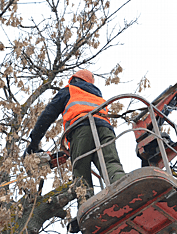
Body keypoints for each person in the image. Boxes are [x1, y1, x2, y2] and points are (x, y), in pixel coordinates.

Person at [25, 69, 126, 201]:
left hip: (81, 129)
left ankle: (86, 206)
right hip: (105, 129)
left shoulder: (69, 90)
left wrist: (34, 143)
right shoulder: (98, 97)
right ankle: (123, 187)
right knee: (110, 163)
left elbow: (47, 116)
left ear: (74, 80)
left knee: (81, 172)